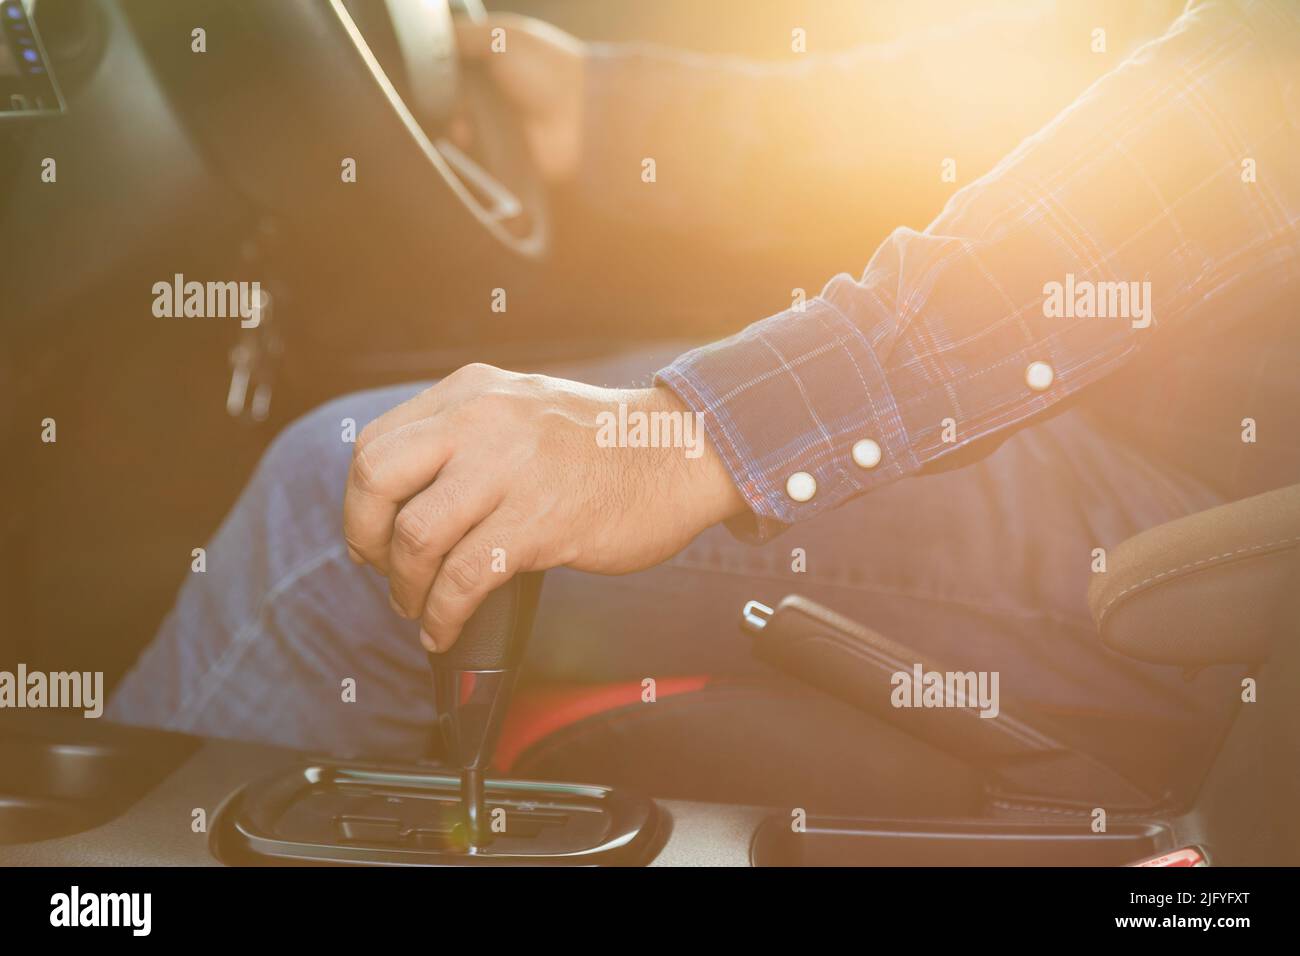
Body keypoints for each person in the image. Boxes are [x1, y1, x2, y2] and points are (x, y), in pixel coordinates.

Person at [107, 1, 1298, 806]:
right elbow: (1075, 89)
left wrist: (691, 437)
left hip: (1204, 546)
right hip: (1112, 431)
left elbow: (1220, 127)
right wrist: (616, 116)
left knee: (350, 502)